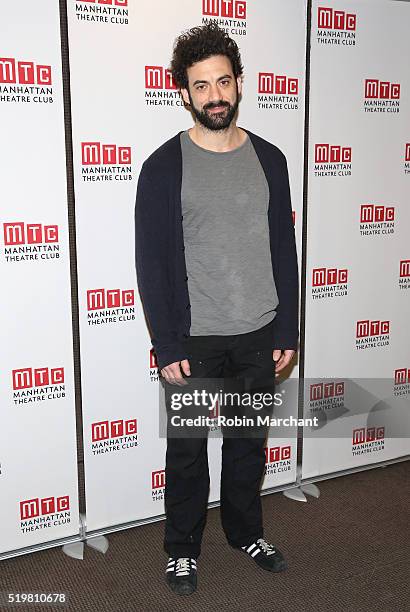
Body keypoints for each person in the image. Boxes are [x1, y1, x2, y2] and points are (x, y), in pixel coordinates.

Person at [135, 22, 299, 596]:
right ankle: (181, 550)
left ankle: (245, 532)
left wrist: (287, 326)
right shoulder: (162, 167)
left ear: (239, 83)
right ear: (184, 92)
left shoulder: (271, 160)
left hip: (258, 332)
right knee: (185, 455)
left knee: (248, 445)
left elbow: (284, 247)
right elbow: (151, 262)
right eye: (201, 86)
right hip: (195, 339)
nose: (215, 96)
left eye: (223, 82)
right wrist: (169, 345)